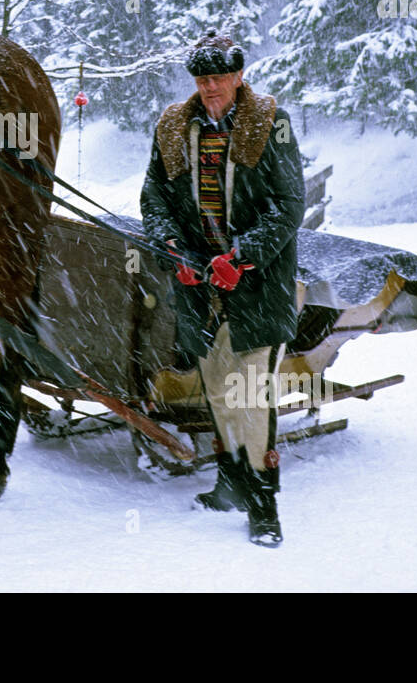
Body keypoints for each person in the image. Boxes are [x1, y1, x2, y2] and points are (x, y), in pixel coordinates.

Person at [140, 34, 304, 546]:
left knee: (251, 397)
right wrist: (176, 253)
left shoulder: (270, 124)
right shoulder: (172, 128)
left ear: (238, 77)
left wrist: (242, 257)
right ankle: (230, 481)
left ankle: (263, 505)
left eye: (219, 78)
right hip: (200, 290)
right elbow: (153, 199)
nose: (210, 88)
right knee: (217, 391)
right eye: (202, 79)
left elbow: (288, 203)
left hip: (258, 286)